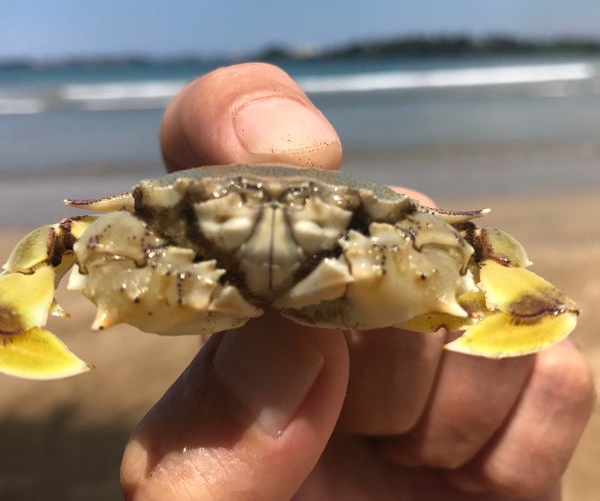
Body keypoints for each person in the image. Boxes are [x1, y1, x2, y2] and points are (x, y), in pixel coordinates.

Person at [120, 63, 594, 500]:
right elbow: (61, 246)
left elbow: (536, 304)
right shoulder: (127, 233)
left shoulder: (426, 243)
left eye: (344, 217)